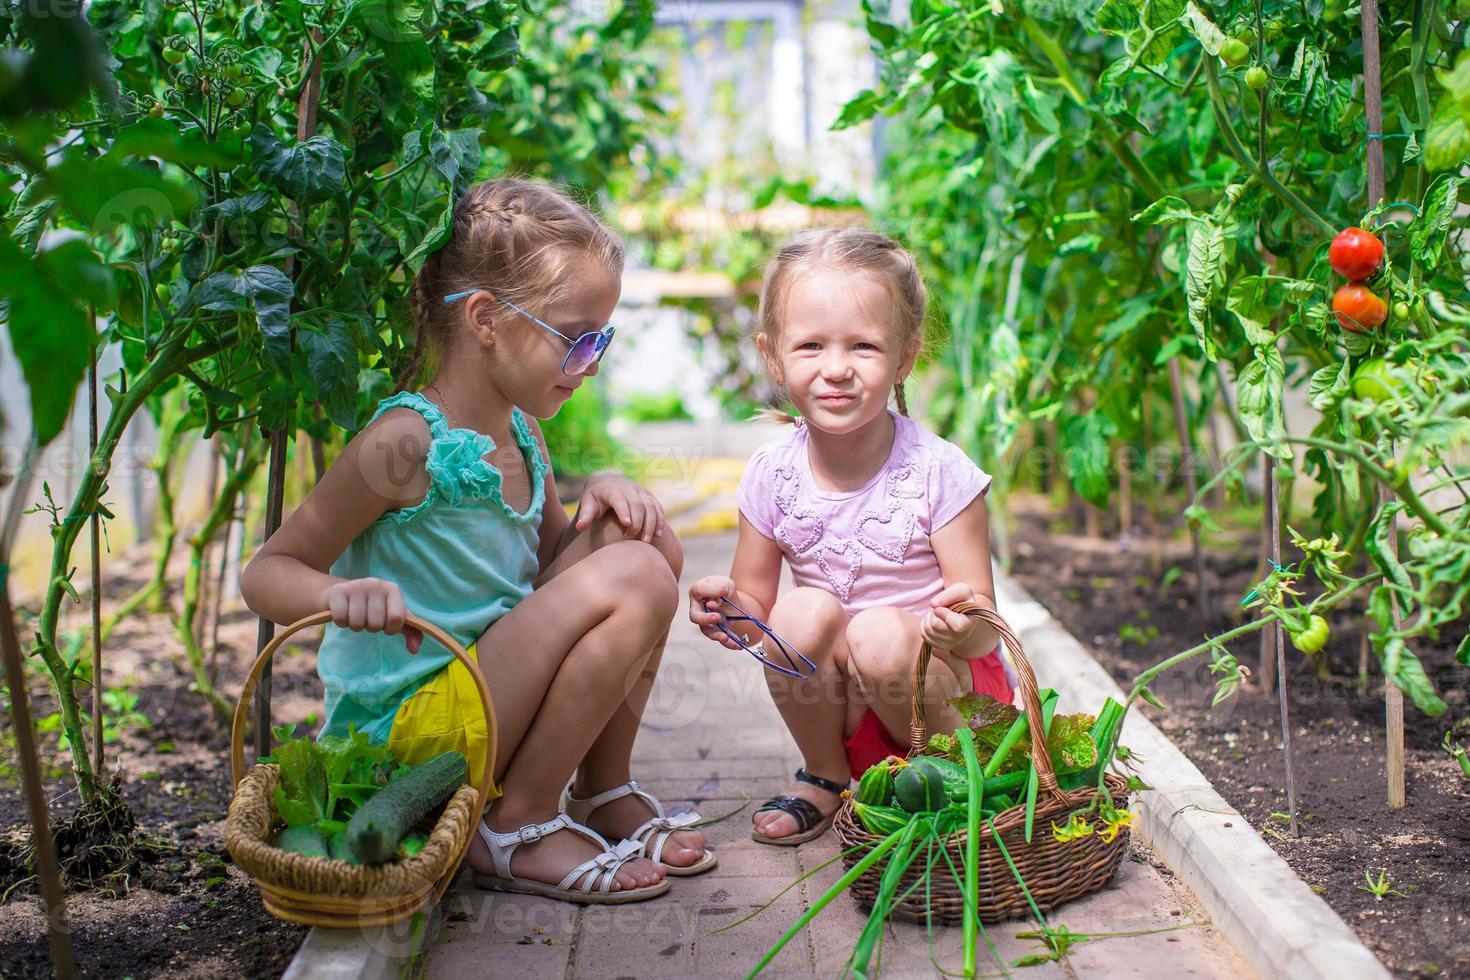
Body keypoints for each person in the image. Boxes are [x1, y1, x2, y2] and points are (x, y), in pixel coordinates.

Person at [242, 177, 714, 904]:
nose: (590, 362)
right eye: (575, 337)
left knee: (644, 543)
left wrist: (609, 488)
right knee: (640, 577)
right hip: (413, 734)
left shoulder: (524, 434)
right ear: (488, 319)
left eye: (602, 339)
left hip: (491, 698)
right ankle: (516, 825)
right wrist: (338, 594)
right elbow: (267, 572)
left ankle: (600, 788)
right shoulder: (403, 443)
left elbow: (559, 572)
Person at [687, 227, 1012, 846]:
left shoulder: (939, 473)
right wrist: (728, 610)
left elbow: (980, 630)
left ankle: (948, 787)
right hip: (848, 703)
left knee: (880, 633)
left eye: (863, 345)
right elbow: (758, 614)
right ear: (773, 357)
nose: (836, 370)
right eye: (810, 345)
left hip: (948, 703)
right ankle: (828, 776)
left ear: (904, 359)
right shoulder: (771, 475)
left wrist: (958, 625)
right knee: (801, 610)